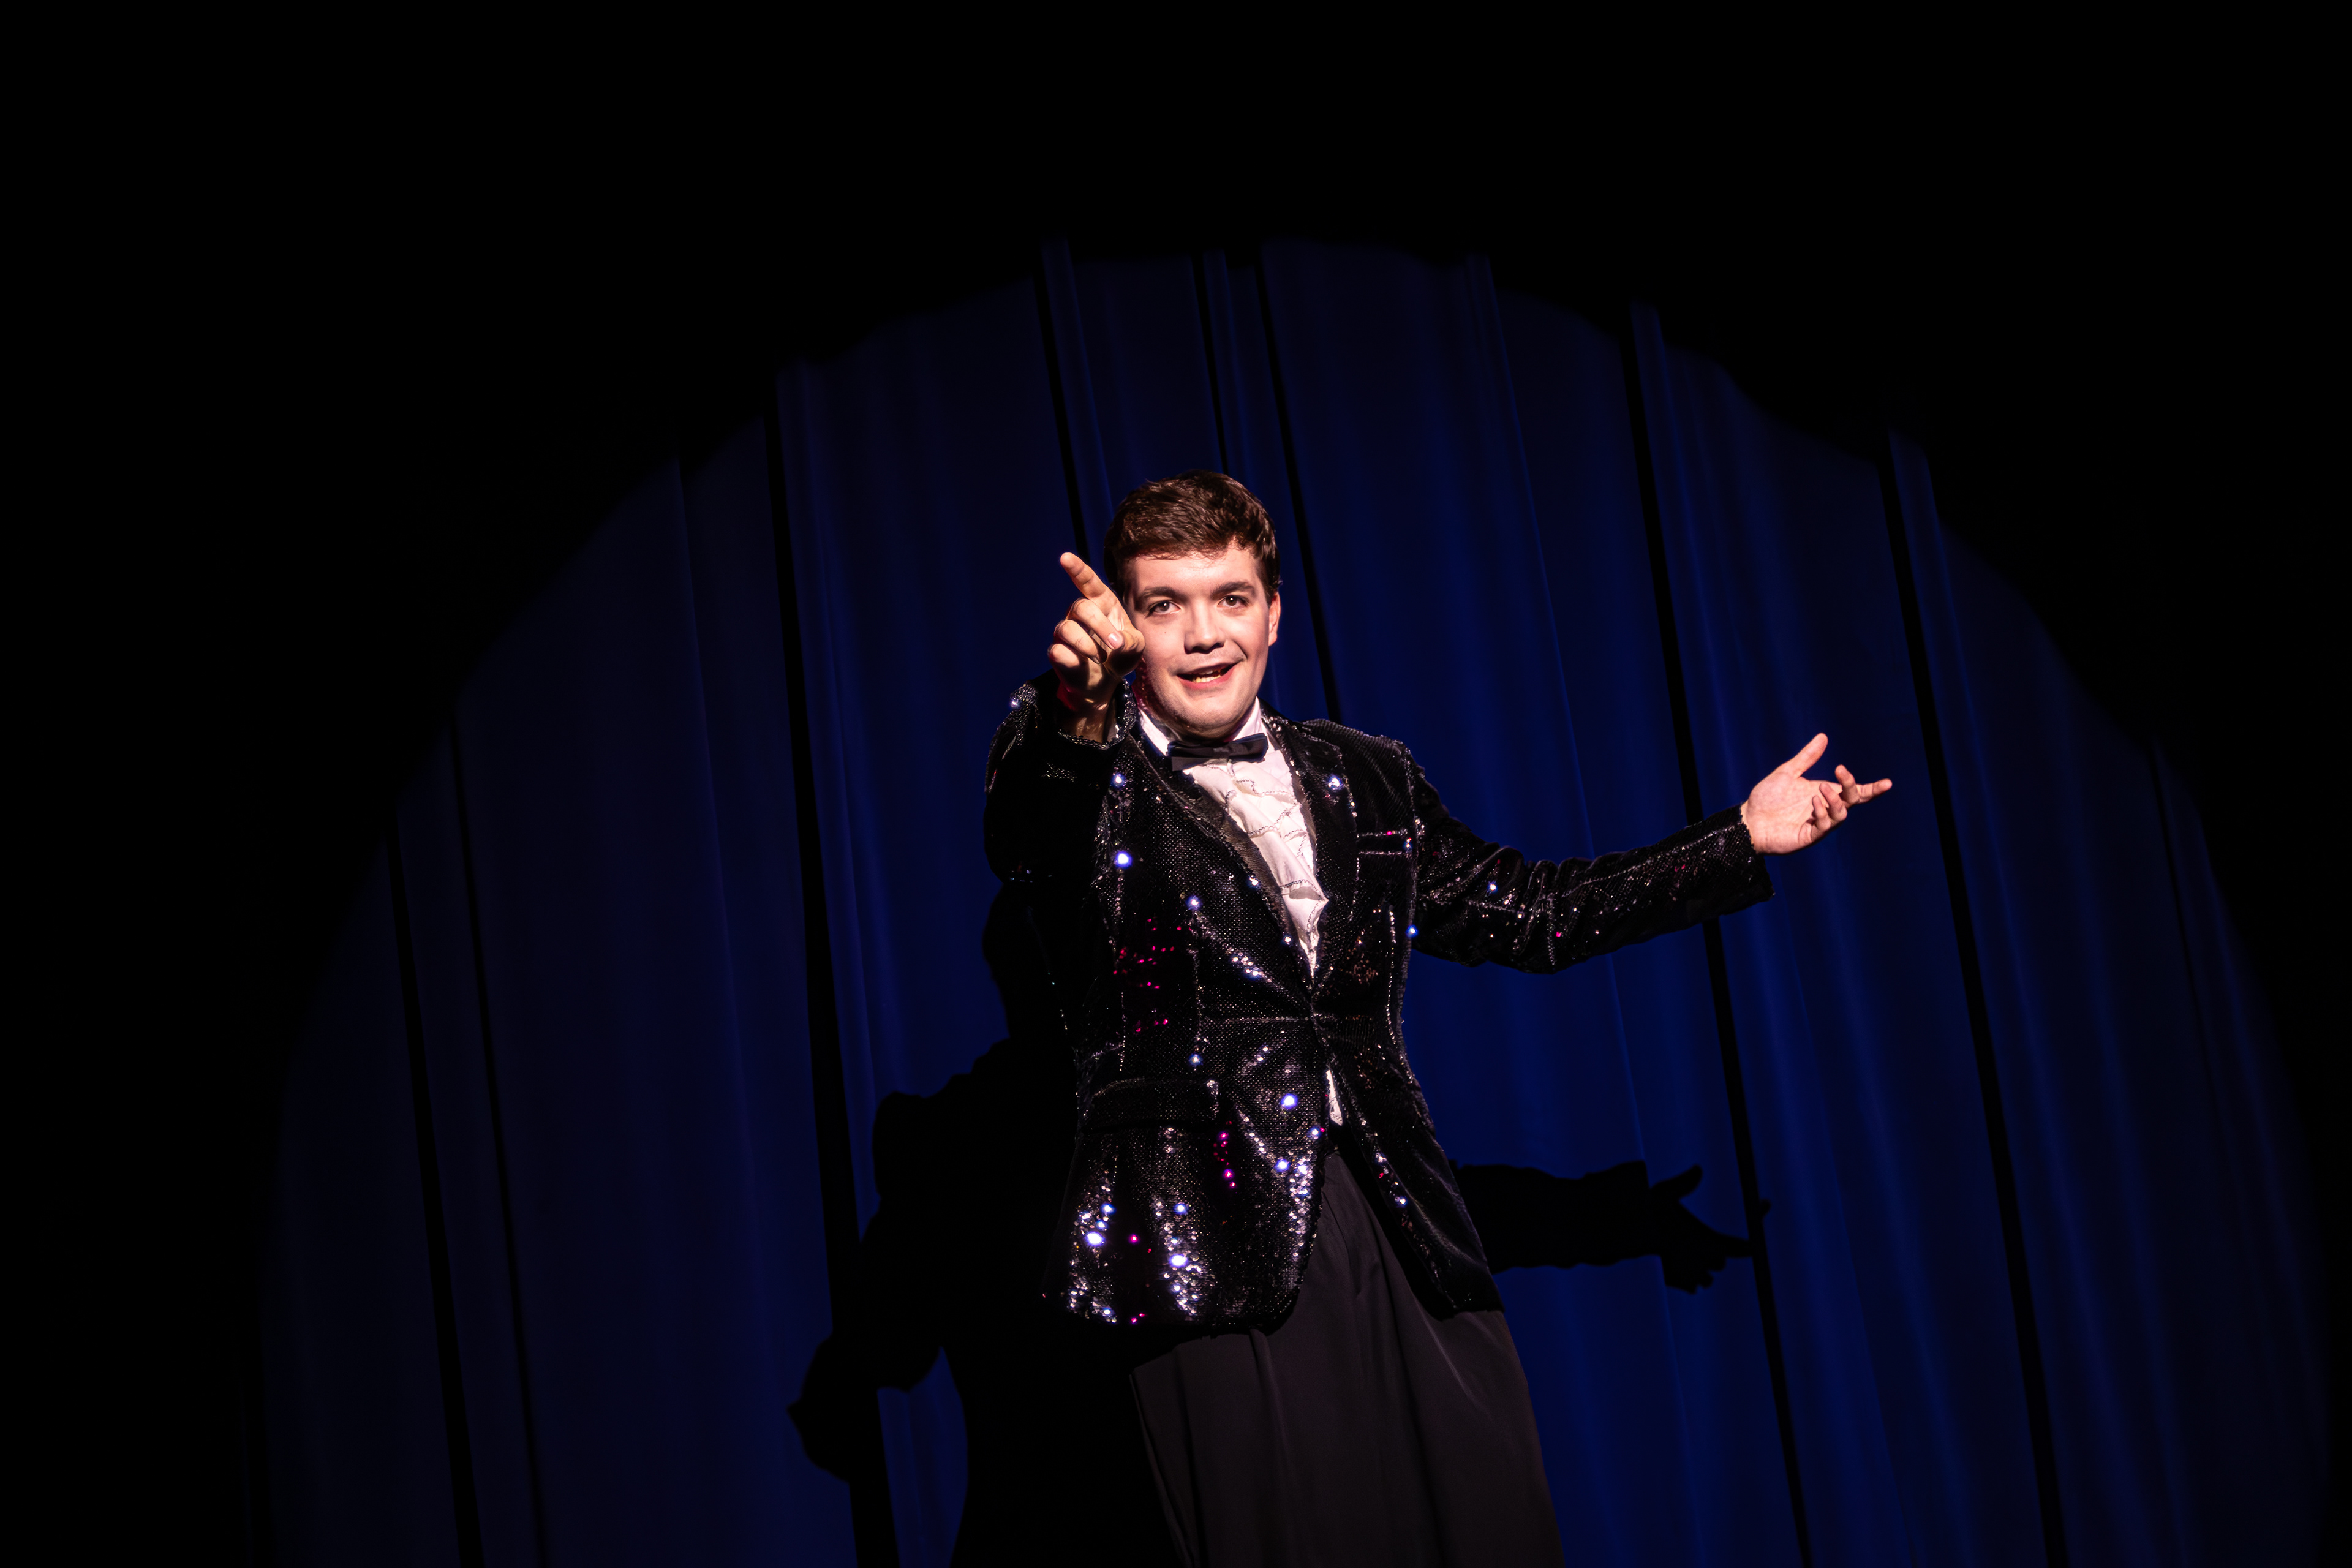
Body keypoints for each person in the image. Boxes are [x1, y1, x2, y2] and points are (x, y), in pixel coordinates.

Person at [986, 470, 1888, 1565]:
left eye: (1230, 599)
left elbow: (1536, 914)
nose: (1204, 634)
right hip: (1204, 1241)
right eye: (1165, 604)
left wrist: (1735, 839)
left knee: (1490, 1526)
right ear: (1126, 626)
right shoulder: (1085, 769)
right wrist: (1076, 716)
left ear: (1275, 613)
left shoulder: (1366, 776)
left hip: (1397, 1212)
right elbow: (1027, 840)